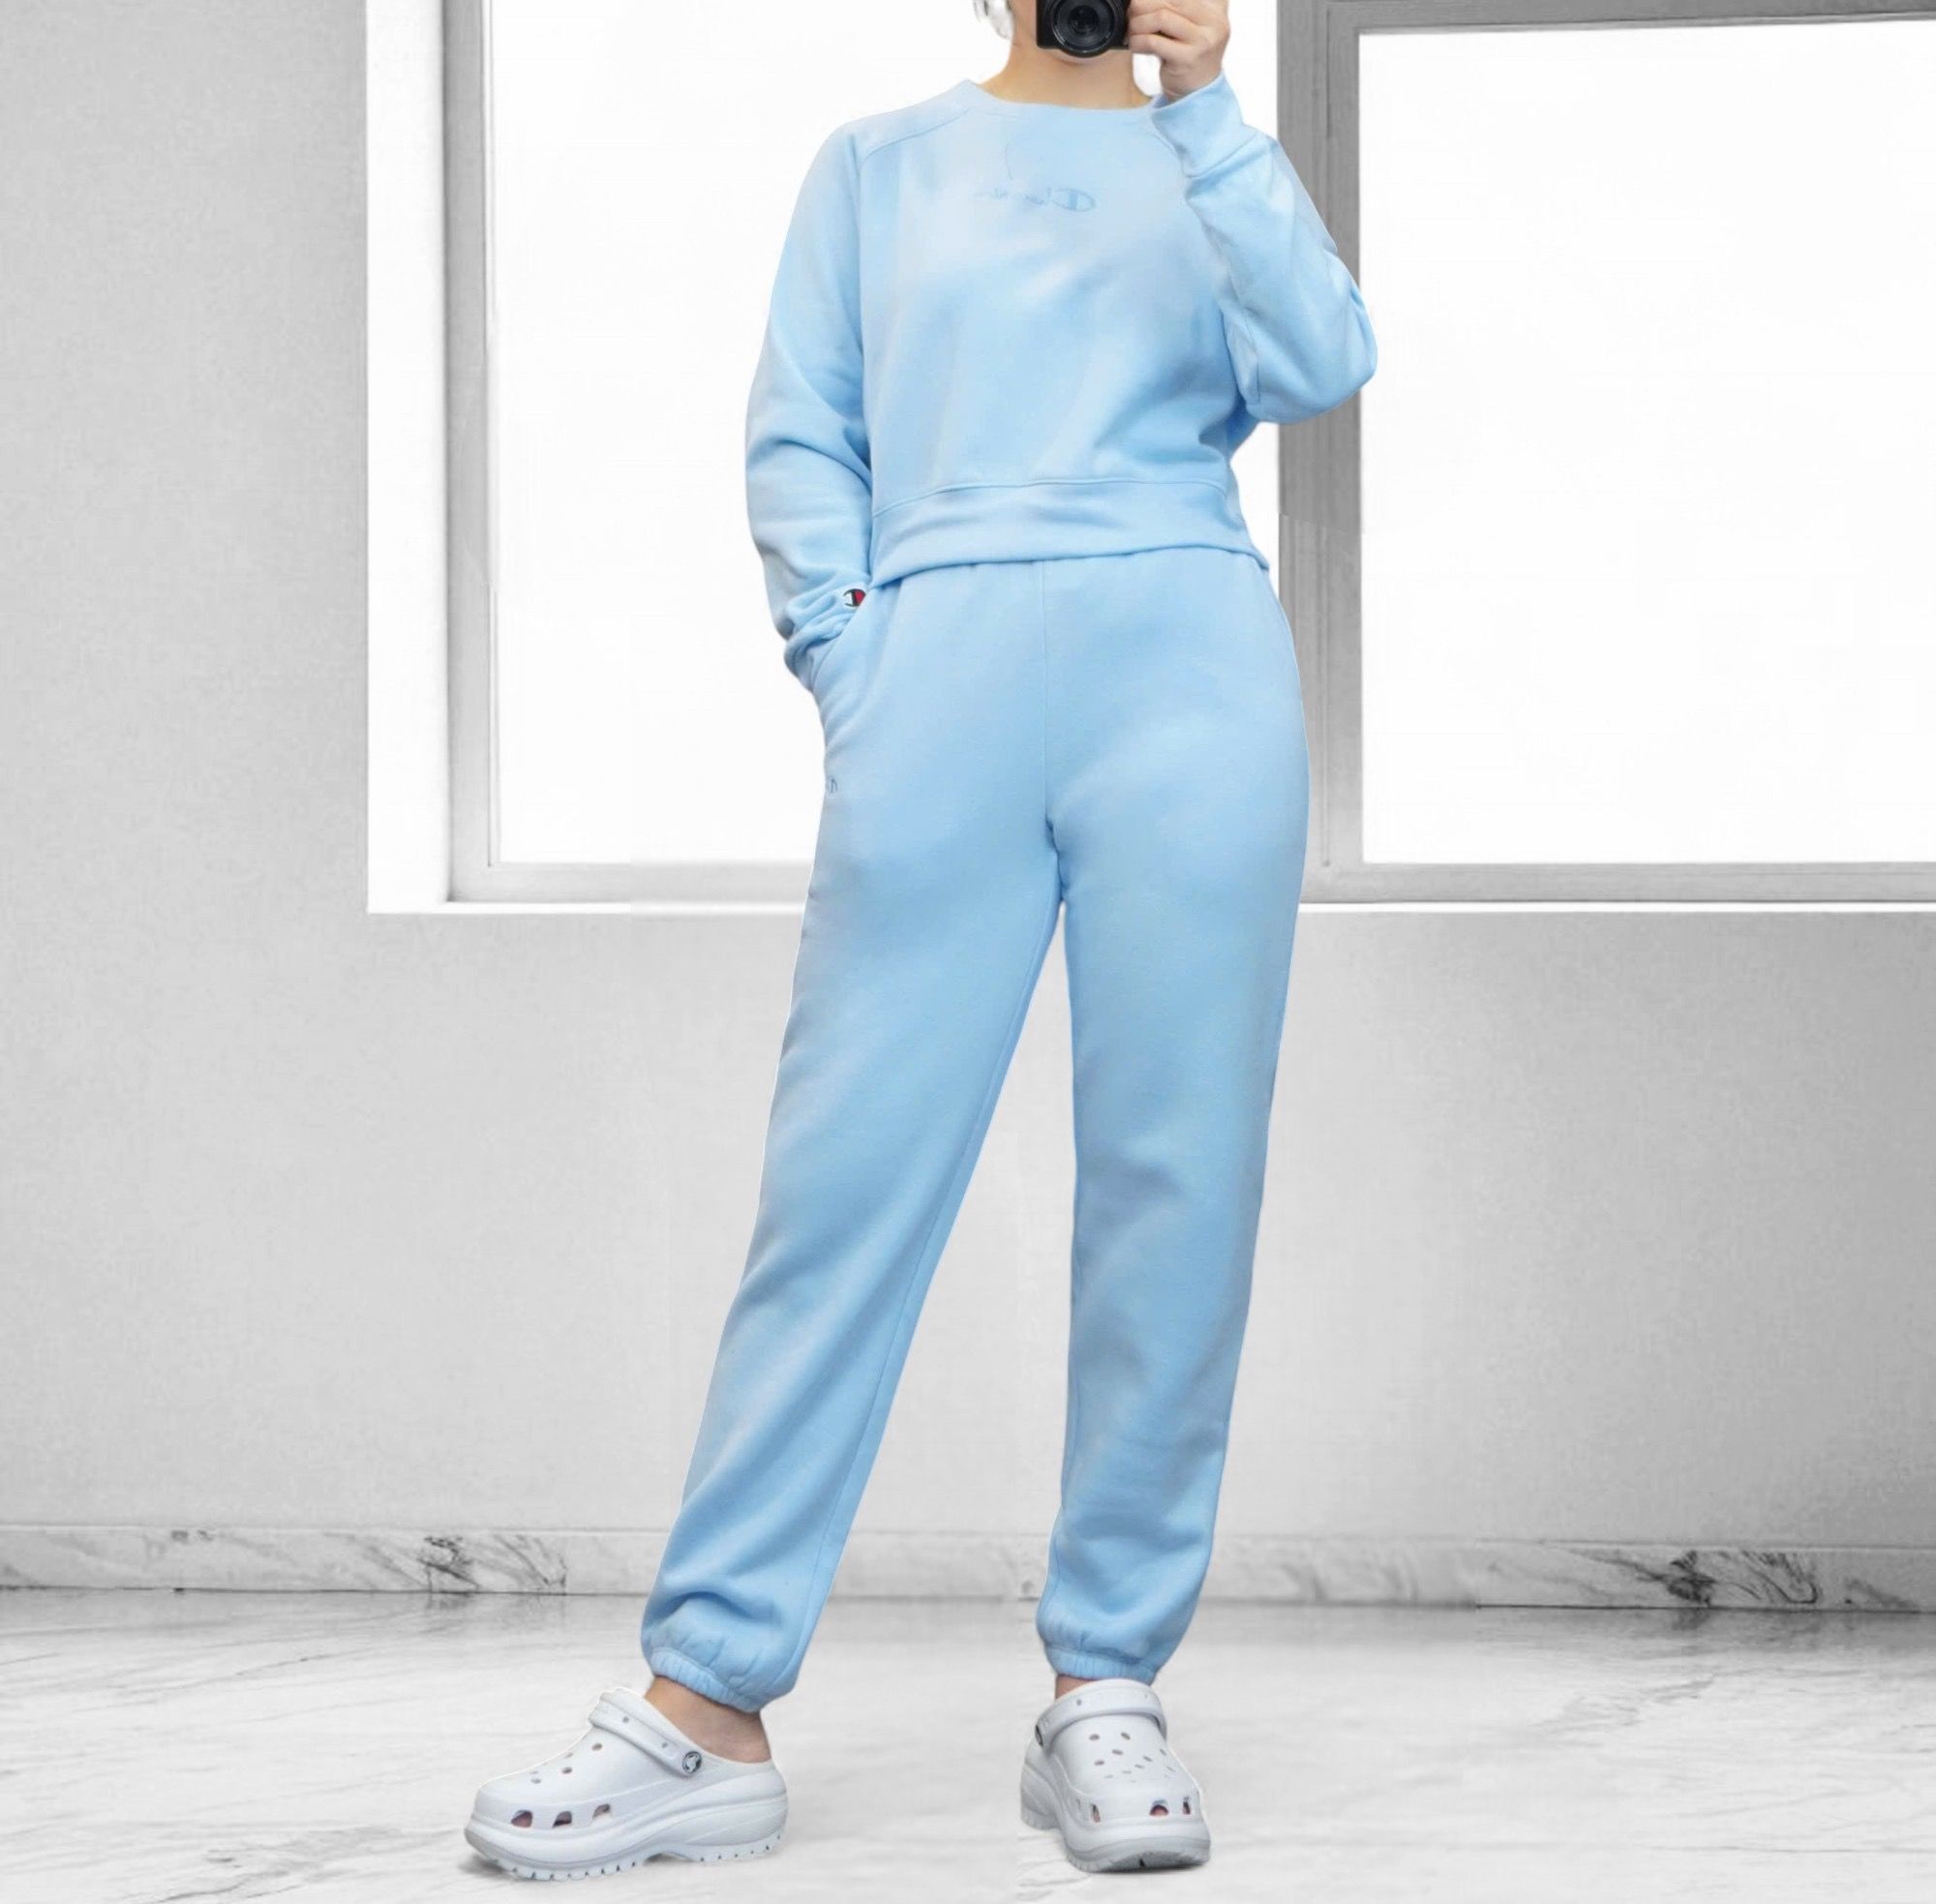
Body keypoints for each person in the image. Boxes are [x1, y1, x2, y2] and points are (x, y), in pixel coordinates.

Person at [466, 0, 1375, 1880]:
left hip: (1189, 679)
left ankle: (1106, 1687)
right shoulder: (876, 167)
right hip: (938, 676)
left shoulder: (1208, 152)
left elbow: (1321, 356)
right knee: (842, 1186)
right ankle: (706, 1703)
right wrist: (852, 657)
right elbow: (803, 431)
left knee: (1176, 1185)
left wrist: (1209, 105)